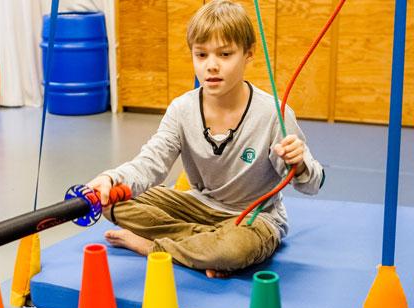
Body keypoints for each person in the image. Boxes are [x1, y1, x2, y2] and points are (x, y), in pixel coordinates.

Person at [86, 0, 324, 279]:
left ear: (248, 53)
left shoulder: (274, 113)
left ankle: (156, 247)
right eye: (201, 55)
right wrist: (111, 180)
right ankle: (202, 248)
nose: (212, 66)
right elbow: (151, 164)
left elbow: (313, 184)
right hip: (197, 206)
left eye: (225, 54)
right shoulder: (182, 108)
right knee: (111, 202)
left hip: (253, 219)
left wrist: (301, 165)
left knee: (234, 248)